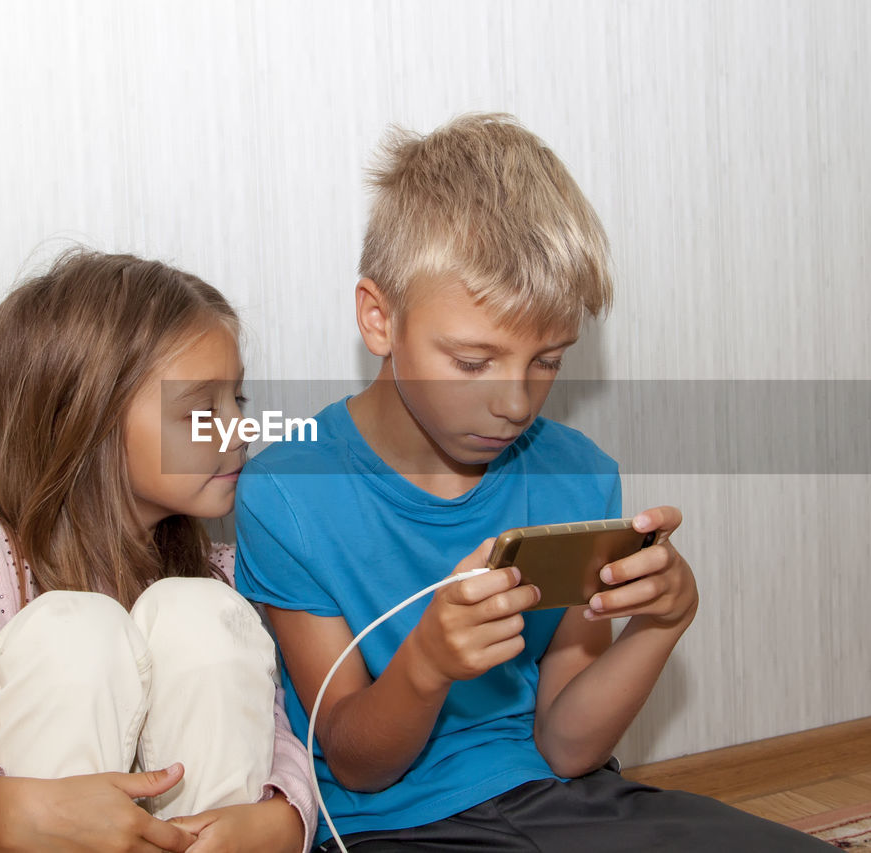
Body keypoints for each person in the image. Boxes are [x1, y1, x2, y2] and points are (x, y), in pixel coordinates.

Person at [233, 115, 831, 851]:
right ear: (380, 317)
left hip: (559, 801)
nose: (516, 403)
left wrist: (662, 624)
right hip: (389, 828)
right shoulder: (288, 491)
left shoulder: (577, 476)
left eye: (546, 360)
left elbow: (567, 746)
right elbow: (357, 765)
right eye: (474, 361)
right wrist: (426, 663)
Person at [0, 249, 315, 853]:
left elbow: (273, 736)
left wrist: (283, 817)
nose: (236, 430)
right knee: (74, 633)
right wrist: (5, 812)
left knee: (203, 618)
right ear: (89, 420)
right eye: (200, 410)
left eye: (237, 402)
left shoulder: (219, 575)